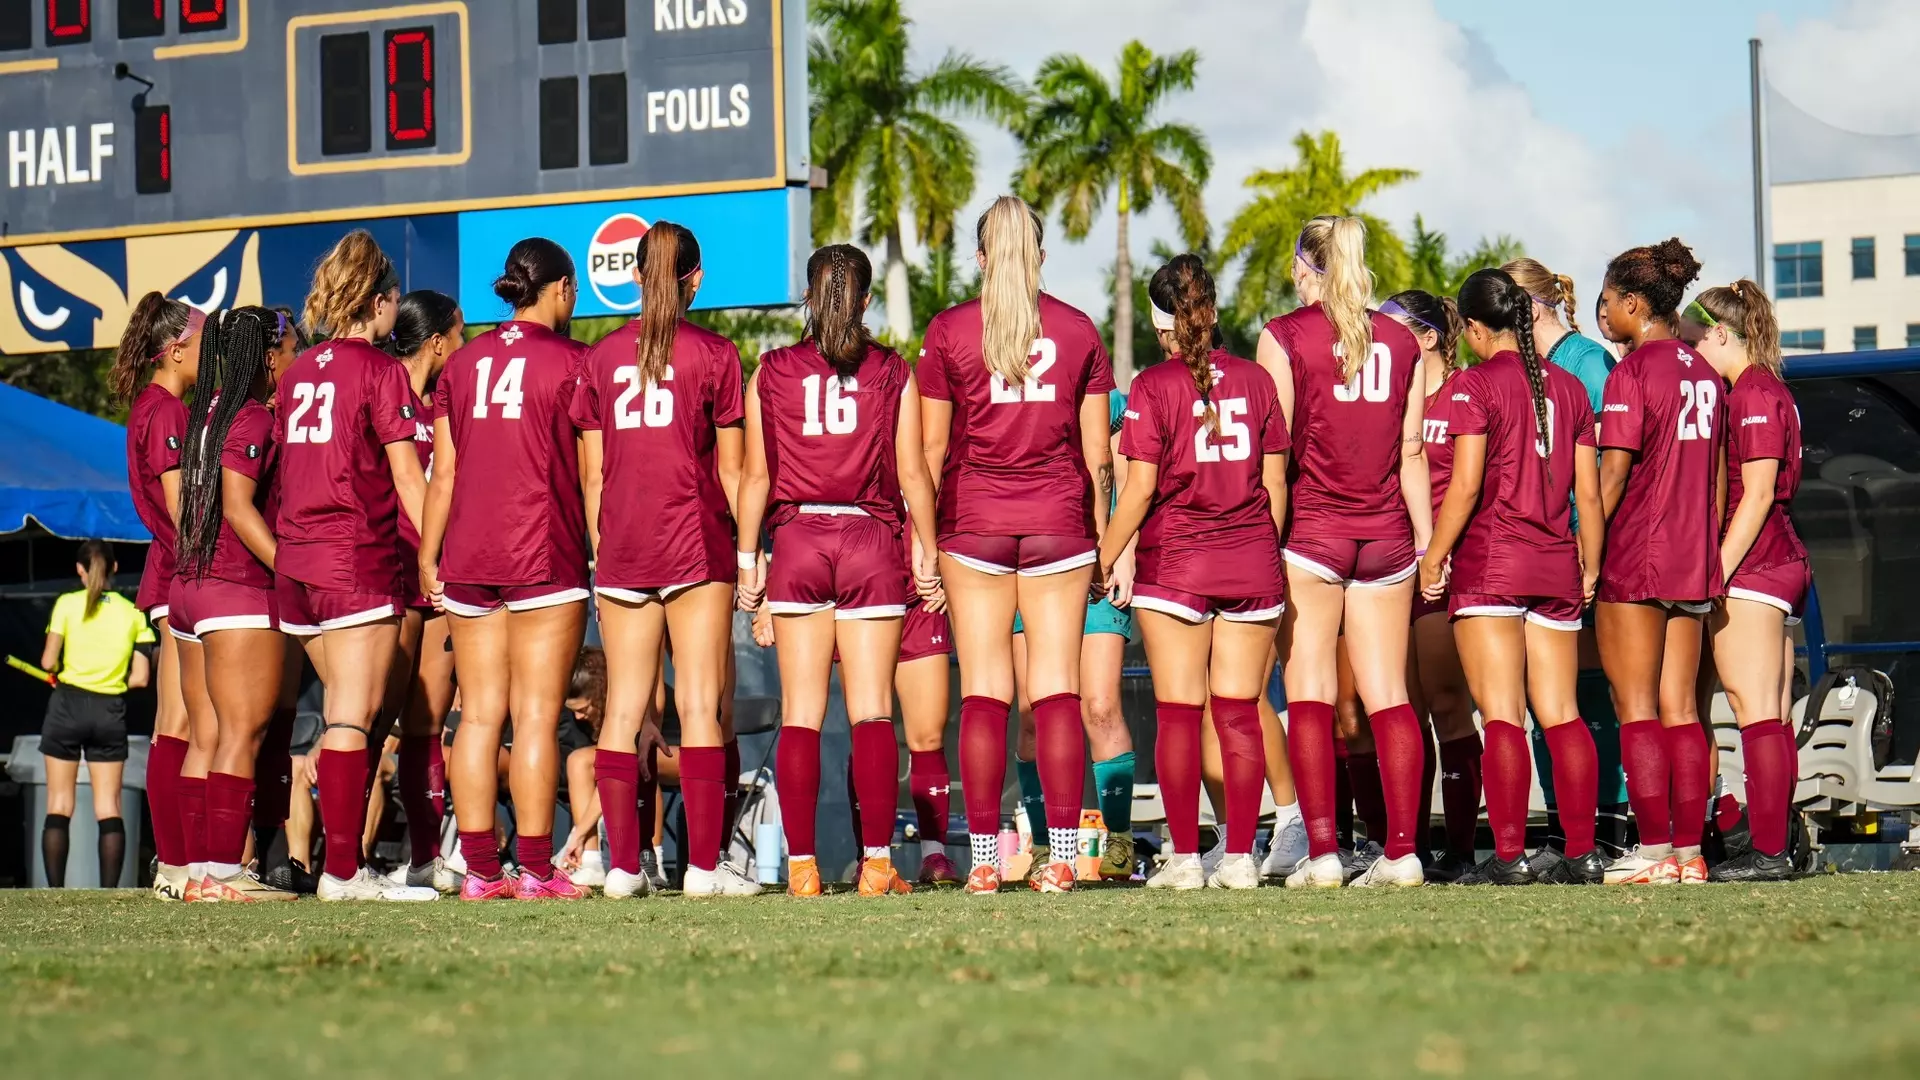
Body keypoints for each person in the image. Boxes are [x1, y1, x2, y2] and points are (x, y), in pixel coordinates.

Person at [919, 195, 1116, 895]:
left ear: (980, 257)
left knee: (983, 696)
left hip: (973, 525)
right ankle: (1062, 857)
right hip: (1060, 523)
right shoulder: (1078, 329)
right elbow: (1099, 456)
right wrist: (1107, 543)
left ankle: (981, 863)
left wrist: (924, 540)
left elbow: (933, 449)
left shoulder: (948, 331)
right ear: (1038, 255)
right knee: (1056, 693)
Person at [734, 244, 941, 897]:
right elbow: (913, 475)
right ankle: (877, 865)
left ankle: (801, 870)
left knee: (800, 713)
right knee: (873, 713)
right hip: (869, 538)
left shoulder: (769, 370)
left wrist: (748, 563)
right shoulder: (891, 371)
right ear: (866, 300)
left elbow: (755, 477)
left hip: (798, 539)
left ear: (807, 295)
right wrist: (928, 550)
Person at [1101, 254, 1288, 890]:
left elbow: (1139, 489)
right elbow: (1275, 487)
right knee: (1237, 712)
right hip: (1251, 561)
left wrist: (1104, 555)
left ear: (1162, 324)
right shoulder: (1258, 382)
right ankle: (1238, 858)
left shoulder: (1154, 387)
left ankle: (1185, 858)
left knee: (1179, 715)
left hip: (1176, 562)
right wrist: (1263, 547)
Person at [577, 222, 752, 897]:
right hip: (694, 543)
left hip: (623, 547)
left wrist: (604, 551)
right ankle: (703, 870)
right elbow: (733, 473)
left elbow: (592, 479)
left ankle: (621, 867)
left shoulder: (599, 358)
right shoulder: (716, 354)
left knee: (623, 706)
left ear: (633, 276)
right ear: (695, 278)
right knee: (703, 705)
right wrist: (750, 553)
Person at [1258, 216, 1431, 889]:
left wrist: (1264, 540)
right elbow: (1411, 452)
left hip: (1312, 534)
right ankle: (1403, 851)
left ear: (1307, 266)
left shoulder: (1285, 335)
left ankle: (1324, 854)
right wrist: (1425, 542)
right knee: (1390, 697)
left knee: (1310, 693)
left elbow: (1277, 454)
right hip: (1387, 534)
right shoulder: (1401, 340)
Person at [1418, 269, 1607, 885]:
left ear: (1474, 327)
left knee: (1502, 716)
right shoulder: (1570, 388)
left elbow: (1466, 485)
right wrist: (1591, 564)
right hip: (1557, 562)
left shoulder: (1474, 386)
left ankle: (1507, 858)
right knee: (1561, 713)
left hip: (1492, 565)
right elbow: (1591, 493)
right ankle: (1580, 851)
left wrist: (1434, 554)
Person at [422, 240, 592, 901]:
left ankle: (481, 872)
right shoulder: (573, 362)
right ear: (561, 289)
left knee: (480, 717)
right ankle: (537, 870)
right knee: (536, 715)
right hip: (542, 552)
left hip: (468, 555)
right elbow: (592, 471)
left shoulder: (459, 366)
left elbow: (445, 476)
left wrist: (427, 554)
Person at [278, 229, 436, 902]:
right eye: (394, 298)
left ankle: (340, 864)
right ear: (377, 300)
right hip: (352, 557)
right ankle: (343, 871)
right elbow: (408, 476)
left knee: (341, 716)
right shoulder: (378, 369)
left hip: (296, 564)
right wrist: (441, 553)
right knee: (351, 717)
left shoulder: (296, 373)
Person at [1593, 238, 1721, 886]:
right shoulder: (1704, 371)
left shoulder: (1634, 373)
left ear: (1635, 304)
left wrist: (1586, 556)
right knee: (1681, 710)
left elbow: (1612, 475)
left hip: (1638, 556)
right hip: (1693, 559)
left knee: (1637, 707)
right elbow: (1719, 478)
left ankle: (1650, 851)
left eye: (1610, 301)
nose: (1605, 312)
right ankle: (1689, 854)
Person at [1502, 257, 1631, 876]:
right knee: (1542, 701)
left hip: (1579, 553)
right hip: (1538, 554)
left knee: (1585, 698)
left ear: (1526, 310)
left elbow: (1607, 472)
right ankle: (1562, 829)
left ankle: (1607, 827)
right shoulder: (1522, 369)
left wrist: (1589, 550)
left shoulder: (1586, 364)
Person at [174, 307, 302, 901]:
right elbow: (239, 508)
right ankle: (226, 873)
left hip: (192, 586)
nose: (298, 360)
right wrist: (291, 569)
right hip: (237, 589)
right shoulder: (249, 418)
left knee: (207, 736)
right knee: (240, 733)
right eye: (294, 348)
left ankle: (200, 870)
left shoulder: (207, 413)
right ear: (269, 356)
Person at [1686, 283, 1804, 882]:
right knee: (1773, 711)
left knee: (1753, 708)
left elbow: (1756, 494)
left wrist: (1718, 571)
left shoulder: (1753, 393)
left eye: (1692, 339)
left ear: (1721, 334)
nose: (1689, 353)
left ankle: (1770, 849)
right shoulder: (1763, 388)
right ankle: (1783, 840)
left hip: (1757, 562)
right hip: (1776, 559)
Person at [1009, 379, 1138, 884]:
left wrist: (1122, 549)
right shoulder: (1010, 394)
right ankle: (1043, 846)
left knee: (1100, 706)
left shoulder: (1108, 400)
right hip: (1034, 568)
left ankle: (1121, 841)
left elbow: (1129, 475)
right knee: (1030, 714)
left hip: (1099, 569)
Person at [1380, 289, 1482, 881]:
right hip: (1397, 567)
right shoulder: (1393, 398)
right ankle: (1408, 844)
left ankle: (1462, 850)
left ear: (1426, 338)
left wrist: (1437, 555)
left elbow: (1471, 490)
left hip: (1446, 569)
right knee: (1403, 709)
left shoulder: (1462, 393)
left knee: (1447, 705)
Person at [111, 292, 203, 900]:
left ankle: (180, 862)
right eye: (200, 340)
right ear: (174, 350)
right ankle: (174, 863)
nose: (209, 350)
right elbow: (180, 510)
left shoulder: (153, 406)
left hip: (170, 574)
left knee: (184, 724)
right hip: (179, 573)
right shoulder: (165, 411)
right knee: (177, 724)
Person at [382, 290, 462, 893]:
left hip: (434, 581)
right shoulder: (381, 390)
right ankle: (342, 860)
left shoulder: (446, 402)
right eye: (458, 334)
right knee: (366, 717)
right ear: (436, 340)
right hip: (387, 572)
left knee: (424, 722)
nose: (464, 345)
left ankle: (424, 857)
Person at [37, 541, 152, 888]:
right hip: (110, 709)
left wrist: (62, 669)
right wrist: (110, 681)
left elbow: (46, 662)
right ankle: (109, 892)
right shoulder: (133, 613)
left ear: (79, 570)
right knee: (109, 805)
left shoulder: (67, 605)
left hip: (67, 705)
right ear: (116, 568)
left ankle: (53, 891)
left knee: (59, 803)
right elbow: (141, 678)